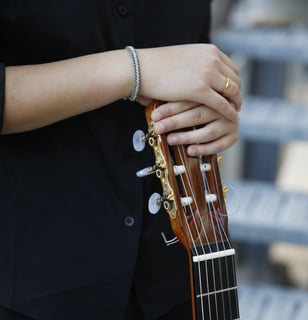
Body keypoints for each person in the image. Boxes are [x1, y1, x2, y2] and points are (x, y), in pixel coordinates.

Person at [0, 1, 242, 319]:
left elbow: (193, 54)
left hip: (178, 265)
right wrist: (133, 70)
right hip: (39, 277)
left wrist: (217, 105)